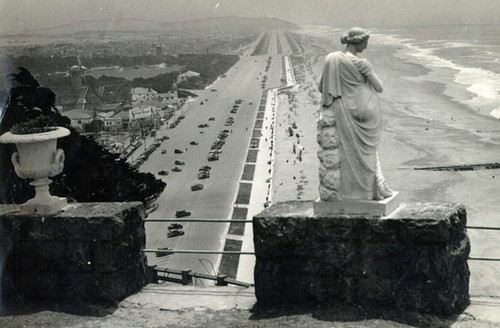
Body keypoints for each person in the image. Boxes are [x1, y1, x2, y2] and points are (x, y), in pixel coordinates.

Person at [318, 27, 393, 200]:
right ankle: (375, 188)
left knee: (348, 153)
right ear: (358, 42)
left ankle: (354, 192)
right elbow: (379, 87)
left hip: (343, 109)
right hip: (366, 110)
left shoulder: (332, 59)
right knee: (368, 151)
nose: (366, 47)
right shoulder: (362, 63)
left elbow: (321, 87)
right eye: (365, 43)